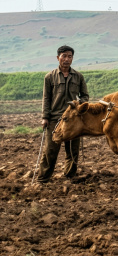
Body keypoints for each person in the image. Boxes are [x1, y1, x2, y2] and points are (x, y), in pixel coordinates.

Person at [37, 45, 89, 183]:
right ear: (58, 58)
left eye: (69, 56)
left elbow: (85, 96)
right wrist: (45, 117)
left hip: (73, 119)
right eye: (64, 56)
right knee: (50, 150)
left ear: (72, 58)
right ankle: (43, 179)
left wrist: (79, 105)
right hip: (55, 118)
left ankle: (70, 176)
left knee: (72, 150)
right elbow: (46, 98)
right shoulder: (49, 77)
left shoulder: (78, 77)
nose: (67, 59)